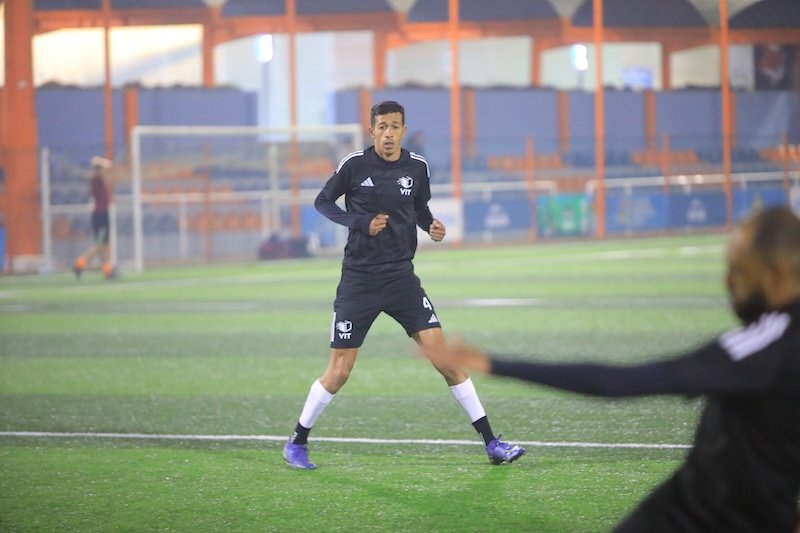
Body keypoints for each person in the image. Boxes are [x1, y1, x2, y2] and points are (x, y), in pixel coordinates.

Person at [422, 205, 800, 532]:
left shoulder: (768, 345)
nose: (727, 282)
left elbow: (619, 382)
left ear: (774, 277)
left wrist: (492, 363)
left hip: (694, 517)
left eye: (738, 271)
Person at [282, 100, 525, 470]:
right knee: (339, 372)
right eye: (382, 127)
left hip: (401, 278)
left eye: (394, 126)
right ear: (372, 131)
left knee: (443, 357)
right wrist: (359, 222)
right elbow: (322, 201)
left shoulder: (417, 167)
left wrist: (431, 225)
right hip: (359, 281)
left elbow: (419, 209)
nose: (388, 133)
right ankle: (297, 442)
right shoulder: (354, 165)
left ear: (403, 130)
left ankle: (492, 443)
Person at [73, 156, 115, 280]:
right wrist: (103, 164)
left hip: (102, 214)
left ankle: (107, 271)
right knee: (99, 244)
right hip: (101, 215)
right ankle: (80, 263)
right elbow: (104, 164)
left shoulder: (99, 179)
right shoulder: (96, 179)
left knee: (106, 244)